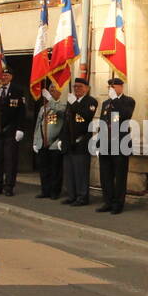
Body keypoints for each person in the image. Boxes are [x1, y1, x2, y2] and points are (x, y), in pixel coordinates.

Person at [96, 77, 135, 214]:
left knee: (120, 177)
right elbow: (102, 123)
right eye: (109, 88)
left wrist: (116, 101)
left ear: (120, 87)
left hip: (120, 145)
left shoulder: (128, 101)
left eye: (113, 87)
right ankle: (108, 202)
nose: (110, 90)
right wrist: (98, 143)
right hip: (105, 145)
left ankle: (118, 204)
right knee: (105, 176)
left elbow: (126, 115)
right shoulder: (106, 103)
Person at [60, 76, 96, 206]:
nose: (77, 89)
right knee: (69, 172)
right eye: (75, 86)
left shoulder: (91, 101)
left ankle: (82, 197)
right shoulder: (71, 102)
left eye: (80, 87)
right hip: (69, 143)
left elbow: (87, 116)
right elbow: (66, 121)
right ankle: (71, 195)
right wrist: (61, 139)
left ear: (86, 88)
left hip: (82, 143)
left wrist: (75, 103)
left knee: (81, 172)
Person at [32, 82, 66, 200]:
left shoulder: (62, 105)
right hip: (42, 142)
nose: (51, 92)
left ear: (59, 92)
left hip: (55, 143)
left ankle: (55, 191)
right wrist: (35, 141)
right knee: (44, 169)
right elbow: (38, 125)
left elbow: (58, 110)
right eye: (50, 90)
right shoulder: (43, 108)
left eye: (54, 90)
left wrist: (50, 99)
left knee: (55, 170)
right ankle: (45, 190)